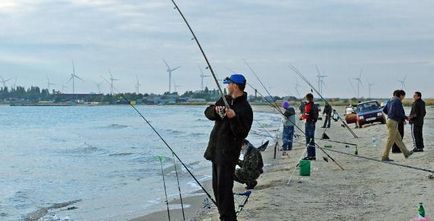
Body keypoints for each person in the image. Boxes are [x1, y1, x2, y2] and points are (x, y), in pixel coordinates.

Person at [204, 73, 253, 221]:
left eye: (229, 84)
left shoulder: (245, 108)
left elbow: (241, 133)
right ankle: (224, 216)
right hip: (215, 151)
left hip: (227, 155)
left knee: (224, 190)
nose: (227, 86)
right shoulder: (224, 100)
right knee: (217, 189)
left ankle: (228, 218)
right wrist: (216, 111)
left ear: (235, 86)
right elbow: (207, 112)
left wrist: (233, 118)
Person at [382, 90, 413, 161]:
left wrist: (390, 114)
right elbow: (399, 113)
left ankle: (406, 153)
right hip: (393, 122)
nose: (403, 98)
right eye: (403, 96)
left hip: (389, 120)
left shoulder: (390, 100)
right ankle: (384, 156)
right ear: (401, 95)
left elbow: (384, 110)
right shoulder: (398, 101)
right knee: (390, 140)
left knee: (398, 139)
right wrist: (406, 117)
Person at [300, 93, 318, 160]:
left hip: (309, 123)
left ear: (308, 98)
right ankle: (312, 155)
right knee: (311, 139)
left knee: (309, 139)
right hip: (313, 123)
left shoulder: (308, 105)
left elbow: (306, 114)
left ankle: (310, 155)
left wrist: (302, 117)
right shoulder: (315, 105)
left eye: (306, 98)